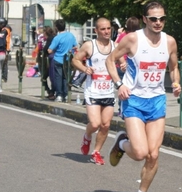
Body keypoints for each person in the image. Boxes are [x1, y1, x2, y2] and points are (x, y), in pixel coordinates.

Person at [105, 1, 181, 192]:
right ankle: (121, 143)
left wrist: (176, 83)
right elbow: (110, 60)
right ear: (145, 19)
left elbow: (174, 67)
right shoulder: (132, 39)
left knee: (153, 154)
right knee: (140, 153)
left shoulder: (170, 42)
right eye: (154, 19)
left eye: (162, 19)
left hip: (156, 100)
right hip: (134, 99)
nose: (158, 23)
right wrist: (119, 84)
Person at [72, 17, 117, 165]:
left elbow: (122, 61)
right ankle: (87, 136)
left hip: (109, 91)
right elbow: (75, 60)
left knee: (106, 125)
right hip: (93, 91)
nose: (106, 31)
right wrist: (85, 68)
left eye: (108, 28)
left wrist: (122, 66)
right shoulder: (89, 46)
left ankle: (96, 152)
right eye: (103, 29)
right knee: (96, 123)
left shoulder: (115, 46)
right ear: (96, 30)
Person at [115, 16, 141, 116]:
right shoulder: (138, 37)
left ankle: (121, 109)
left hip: (122, 65)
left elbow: (115, 46)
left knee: (123, 87)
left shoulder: (123, 36)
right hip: (132, 66)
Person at [48, 19, 78, 102]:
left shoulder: (57, 38)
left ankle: (59, 95)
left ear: (57, 27)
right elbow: (76, 46)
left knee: (58, 78)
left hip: (58, 59)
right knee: (66, 77)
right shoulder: (71, 36)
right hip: (68, 60)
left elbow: (49, 50)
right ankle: (66, 94)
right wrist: (70, 49)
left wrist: (56, 49)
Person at [43, 26, 56, 100]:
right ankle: (51, 92)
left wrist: (43, 52)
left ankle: (50, 92)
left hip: (50, 60)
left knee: (45, 77)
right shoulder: (54, 37)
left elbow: (46, 48)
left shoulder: (50, 38)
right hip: (55, 58)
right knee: (53, 76)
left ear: (45, 32)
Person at [0, 18, 12, 83]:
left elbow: (2, 39)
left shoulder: (5, 30)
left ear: (2, 24)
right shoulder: (6, 29)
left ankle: (4, 77)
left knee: (4, 63)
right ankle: (3, 77)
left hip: (5, 47)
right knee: (4, 63)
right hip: (6, 47)